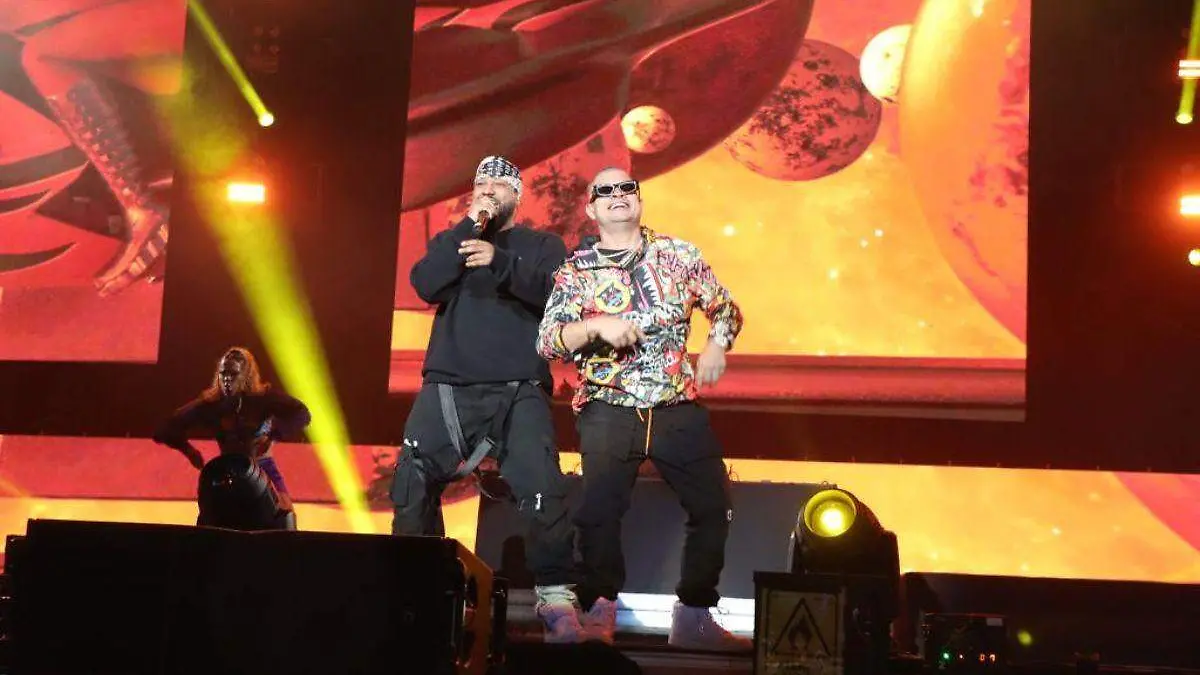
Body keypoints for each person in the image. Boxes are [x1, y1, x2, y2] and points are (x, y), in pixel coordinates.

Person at [536, 167, 751, 650]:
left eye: (626, 188)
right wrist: (596, 327)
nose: (617, 195)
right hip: (609, 407)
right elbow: (548, 341)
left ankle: (694, 614)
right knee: (599, 513)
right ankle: (598, 608)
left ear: (638, 200)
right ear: (591, 209)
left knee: (714, 506)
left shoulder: (679, 255)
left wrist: (716, 344)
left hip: (675, 405)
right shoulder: (575, 272)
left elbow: (725, 308)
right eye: (605, 191)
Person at [390, 156, 583, 642]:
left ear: (518, 194)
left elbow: (555, 293)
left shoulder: (542, 245)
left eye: (499, 183)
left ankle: (556, 599)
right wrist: (467, 229)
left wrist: (498, 261)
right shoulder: (454, 240)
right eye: (481, 184)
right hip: (448, 385)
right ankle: (417, 592)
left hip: (518, 386)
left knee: (541, 485)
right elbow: (425, 283)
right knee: (412, 480)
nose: (489, 190)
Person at [153, 346, 310, 530]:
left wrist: (273, 436)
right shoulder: (211, 404)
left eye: (233, 374)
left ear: (245, 375)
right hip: (226, 472)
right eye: (223, 373)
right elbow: (165, 428)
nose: (227, 379)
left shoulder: (263, 399)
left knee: (285, 521)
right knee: (210, 524)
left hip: (263, 469)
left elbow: (302, 414)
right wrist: (188, 450)